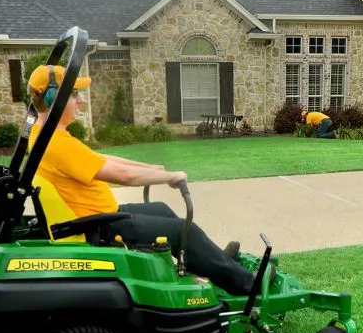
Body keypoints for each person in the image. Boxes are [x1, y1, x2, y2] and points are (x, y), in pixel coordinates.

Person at [26, 64, 255, 296]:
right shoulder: (58, 144)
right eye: (74, 94)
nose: (80, 101)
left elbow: (101, 160)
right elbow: (122, 176)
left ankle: (212, 262)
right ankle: (248, 284)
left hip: (97, 217)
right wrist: (170, 177)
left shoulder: (44, 135)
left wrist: (151, 169)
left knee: (162, 210)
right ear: (57, 97)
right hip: (98, 227)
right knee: (184, 230)